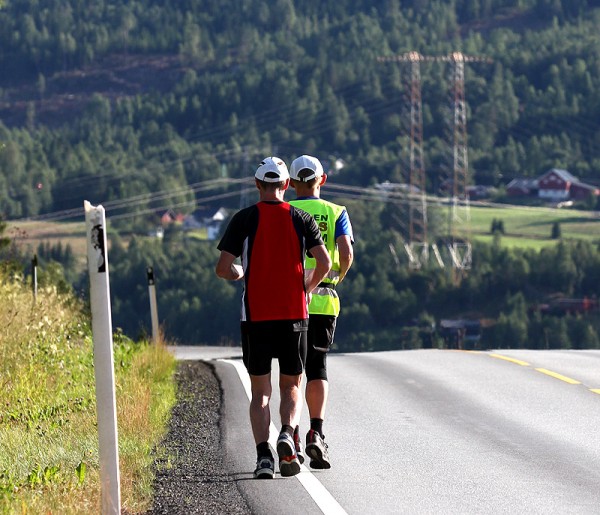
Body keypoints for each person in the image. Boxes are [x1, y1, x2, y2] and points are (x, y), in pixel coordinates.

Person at [215, 156, 331, 479]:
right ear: (284, 185)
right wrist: (306, 286)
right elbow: (324, 262)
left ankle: (263, 457)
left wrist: (241, 273)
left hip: (255, 316)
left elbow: (222, 268)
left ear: (257, 185)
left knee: (261, 393)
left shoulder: (244, 219)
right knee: (292, 384)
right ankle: (287, 433)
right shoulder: (300, 217)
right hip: (294, 314)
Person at [288, 154, 354, 470]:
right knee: (318, 367)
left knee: (292, 372)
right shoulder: (337, 212)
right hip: (325, 300)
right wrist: (337, 275)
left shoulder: (286, 211)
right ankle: (317, 431)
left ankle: (293, 436)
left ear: (290, 184)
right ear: (322, 180)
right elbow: (347, 252)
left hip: (290, 300)